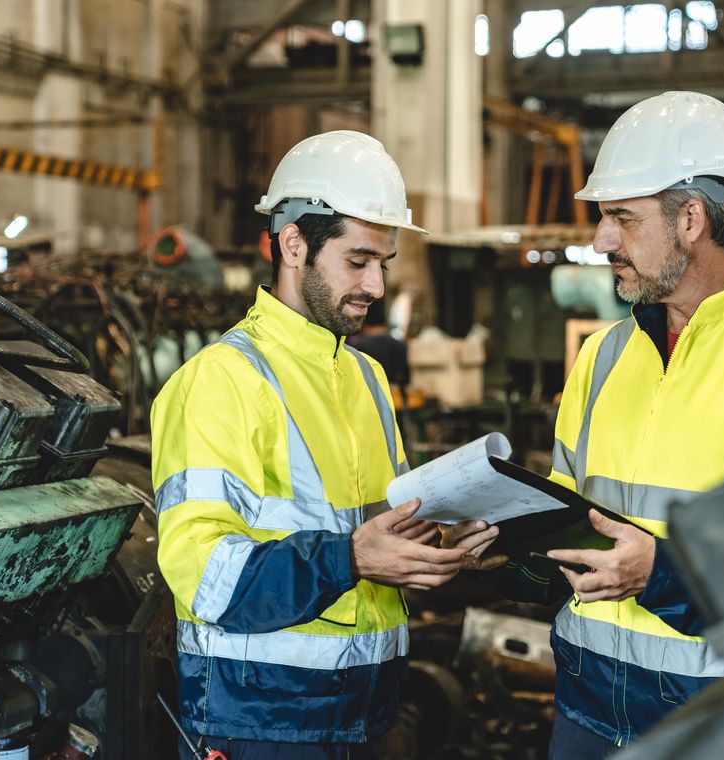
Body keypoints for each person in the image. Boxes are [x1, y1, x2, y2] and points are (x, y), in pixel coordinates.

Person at [445, 91, 724, 758]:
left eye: (622, 217)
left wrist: (662, 574)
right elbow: (569, 537)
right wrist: (496, 552)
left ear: (692, 220)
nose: (600, 241)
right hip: (586, 710)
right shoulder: (602, 357)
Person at [151, 130, 498, 759]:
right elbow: (202, 577)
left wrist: (442, 542)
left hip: (368, 710)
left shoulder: (365, 378)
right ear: (293, 245)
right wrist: (351, 560)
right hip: (258, 720)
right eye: (358, 260)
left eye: (384, 264)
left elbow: (379, 532)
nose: (377, 286)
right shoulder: (220, 382)